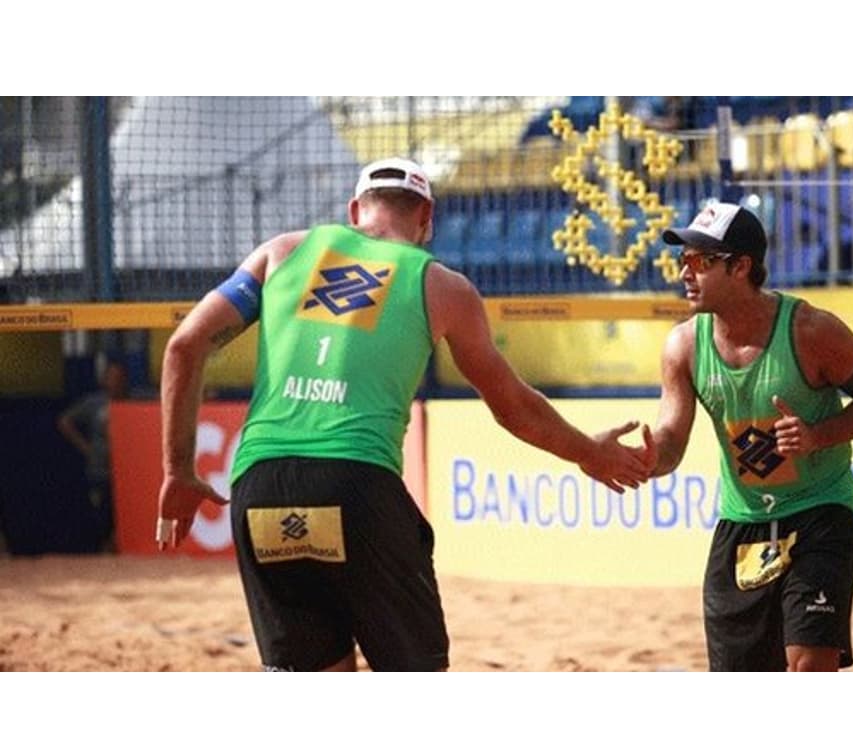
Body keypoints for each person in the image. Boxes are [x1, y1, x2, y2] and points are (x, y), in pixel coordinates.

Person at [157, 157, 651, 672]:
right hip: (355, 484)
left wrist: (177, 473)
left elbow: (184, 347)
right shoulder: (442, 285)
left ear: (355, 210)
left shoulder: (281, 252)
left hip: (260, 485)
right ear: (427, 219)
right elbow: (512, 406)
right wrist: (588, 453)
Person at [640, 202, 853, 671]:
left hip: (821, 511)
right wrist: (643, 458)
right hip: (741, 522)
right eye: (682, 259)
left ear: (741, 267)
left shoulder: (810, 330)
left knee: (808, 665)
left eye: (699, 260)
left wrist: (818, 435)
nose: (684, 271)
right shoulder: (683, 346)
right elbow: (671, 439)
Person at [57, 357, 130, 551]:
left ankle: (119, 548)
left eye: (120, 377)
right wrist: (85, 447)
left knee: (124, 513)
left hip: (127, 471)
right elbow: (65, 421)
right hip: (100, 470)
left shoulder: (132, 402)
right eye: (112, 377)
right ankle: (103, 549)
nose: (116, 381)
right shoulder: (94, 403)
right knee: (101, 514)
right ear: (104, 380)